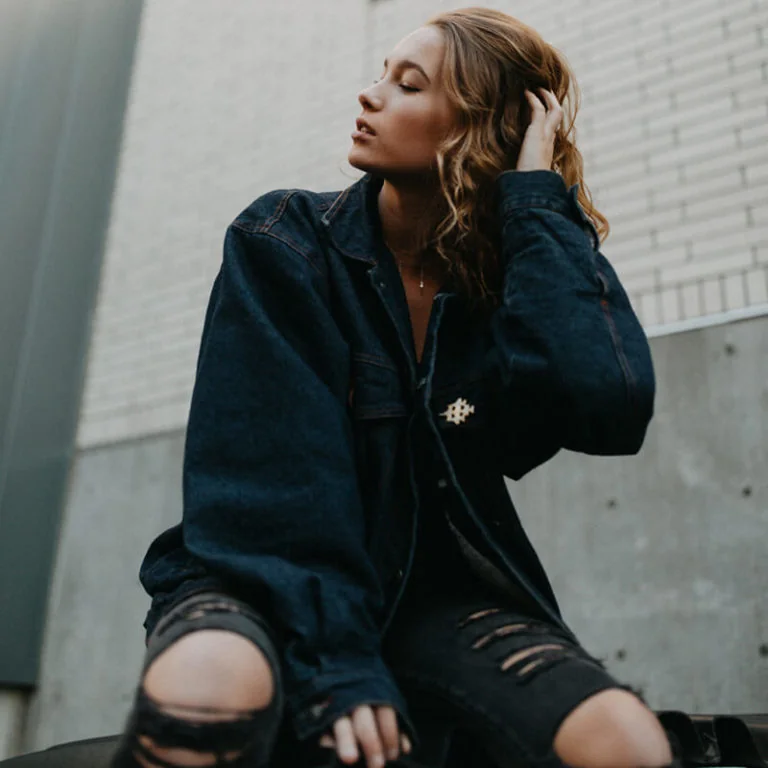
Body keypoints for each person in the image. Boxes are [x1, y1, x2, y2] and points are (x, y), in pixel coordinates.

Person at [112, 7, 677, 768]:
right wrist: (339, 662)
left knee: (622, 742)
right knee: (204, 693)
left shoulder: (503, 284)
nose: (369, 95)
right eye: (381, 75)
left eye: (407, 85)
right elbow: (281, 489)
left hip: (431, 596)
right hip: (264, 577)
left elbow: (606, 402)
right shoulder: (283, 242)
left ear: (475, 129)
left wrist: (536, 199)